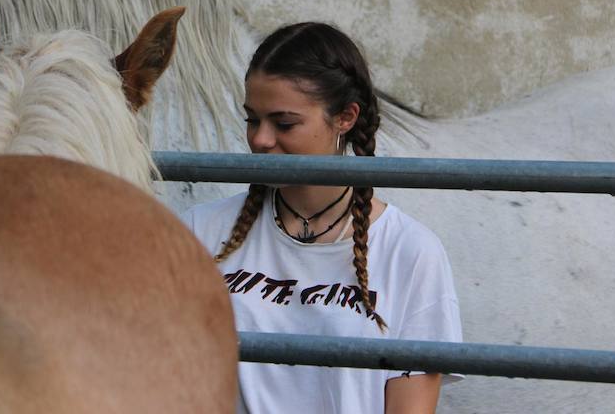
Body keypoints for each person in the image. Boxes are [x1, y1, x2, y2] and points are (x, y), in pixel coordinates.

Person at [180, 22, 462, 413]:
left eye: (284, 123)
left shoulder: (410, 252)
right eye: (251, 119)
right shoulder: (201, 231)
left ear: (345, 117)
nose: (260, 139)